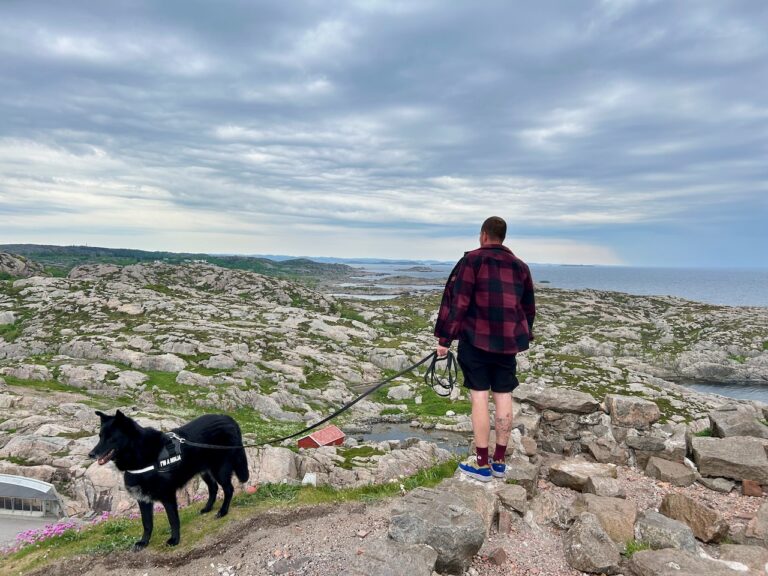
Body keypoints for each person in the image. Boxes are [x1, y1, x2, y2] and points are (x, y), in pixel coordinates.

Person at [434, 216, 535, 482]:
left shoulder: (472, 261)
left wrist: (444, 339)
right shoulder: (521, 267)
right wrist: (523, 335)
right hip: (507, 344)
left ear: (483, 235)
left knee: (479, 396)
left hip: (476, 340)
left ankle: (481, 464)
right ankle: (499, 461)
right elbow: (528, 309)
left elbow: (458, 302)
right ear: (503, 237)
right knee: (503, 395)